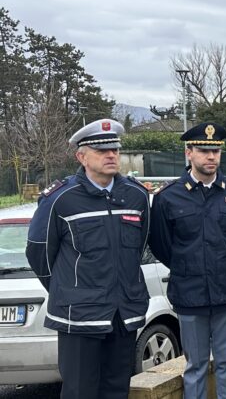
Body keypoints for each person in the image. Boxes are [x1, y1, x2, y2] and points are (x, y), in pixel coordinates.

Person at [25, 119, 151, 399]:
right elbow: (39, 253)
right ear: (81, 157)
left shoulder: (136, 195)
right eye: (101, 150)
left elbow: (137, 248)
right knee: (80, 392)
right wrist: (69, 290)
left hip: (123, 315)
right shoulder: (60, 199)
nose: (111, 156)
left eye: (115, 150)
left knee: (117, 390)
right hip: (79, 317)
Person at [148, 122, 226, 399]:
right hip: (189, 293)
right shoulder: (168, 198)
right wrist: (188, 265)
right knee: (195, 365)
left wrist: (223, 263)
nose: (211, 157)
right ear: (189, 153)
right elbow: (161, 245)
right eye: (204, 151)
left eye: (216, 151)